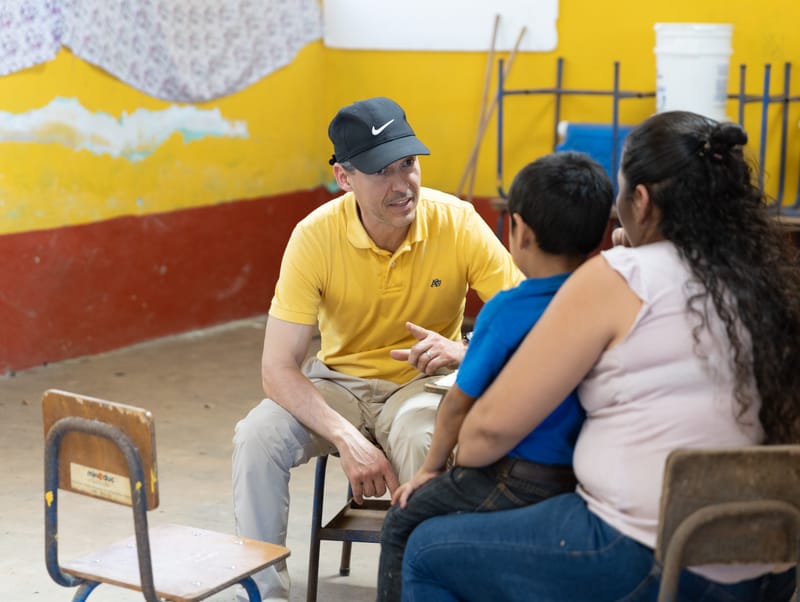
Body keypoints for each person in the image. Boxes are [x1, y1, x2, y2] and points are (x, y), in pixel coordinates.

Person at [400, 110, 800, 602]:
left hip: (641, 555)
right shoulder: (768, 282)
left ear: (642, 200)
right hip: (768, 558)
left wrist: (450, 466)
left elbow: (488, 432)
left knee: (426, 551)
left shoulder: (616, 278)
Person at [231, 96, 521, 601]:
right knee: (256, 437)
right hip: (338, 383)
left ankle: (425, 589)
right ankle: (260, 594)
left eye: (408, 164)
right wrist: (348, 439)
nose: (402, 184)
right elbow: (278, 369)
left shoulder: (458, 222)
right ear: (345, 178)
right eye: (381, 171)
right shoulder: (314, 237)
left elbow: (525, 320)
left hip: (422, 384)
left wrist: (465, 351)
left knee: (422, 437)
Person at [376, 151, 614, 601]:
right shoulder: (606, 298)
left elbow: (457, 404)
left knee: (404, 521)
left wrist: (429, 471)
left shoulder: (508, 308)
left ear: (519, 230)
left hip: (515, 475)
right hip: (581, 472)